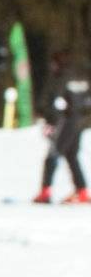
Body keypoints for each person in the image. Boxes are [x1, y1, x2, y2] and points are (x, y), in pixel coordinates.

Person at [34, 52, 90, 204]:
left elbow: (56, 102)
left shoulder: (60, 79)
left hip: (64, 122)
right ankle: (82, 191)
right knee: (72, 156)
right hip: (80, 122)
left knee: (53, 155)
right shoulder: (80, 78)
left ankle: (45, 192)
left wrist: (49, 118)